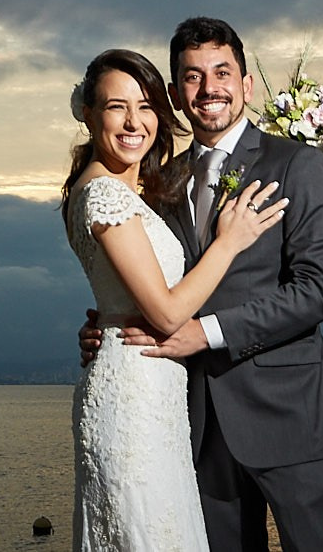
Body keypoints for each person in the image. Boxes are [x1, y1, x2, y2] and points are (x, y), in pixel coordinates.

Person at [82, 17, 323, 552]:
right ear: (177, 94)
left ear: (246, 84)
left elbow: (319, 289)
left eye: (222, 72)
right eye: (192, 76)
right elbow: (147, 278)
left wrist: (203, 333)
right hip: (195, 428)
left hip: (291, 419)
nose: (209, 89)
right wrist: (107, 327)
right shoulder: (162, 180)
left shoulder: (296, 163)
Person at [64, 47, 288, 552]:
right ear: (88, 113)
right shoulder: (105, 195)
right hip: (134, 395)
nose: (133, 121)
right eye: (116, 106)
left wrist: (109, 321)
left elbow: (121, 290)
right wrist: (230, 240)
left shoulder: (136, 189)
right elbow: (165, 312)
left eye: (145, 106)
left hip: (153, 391)